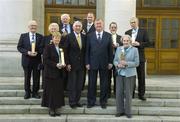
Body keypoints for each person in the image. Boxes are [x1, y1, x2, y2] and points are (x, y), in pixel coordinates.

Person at [86, 19, 113, 109]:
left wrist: (110, 62)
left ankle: (103, 101)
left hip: (104, 63)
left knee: (104, 84)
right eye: (97, 24)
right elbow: (87, 51)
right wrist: (87, 62)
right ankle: (91, 101)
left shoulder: (108, 36)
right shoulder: (89, 36)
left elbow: (110, 51)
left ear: (103, 25)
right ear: (94, 25)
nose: (98, 25)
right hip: (92, 63)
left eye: (100, 24)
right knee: (91, 83)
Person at [113, 35, 139, 118]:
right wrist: (118, 65)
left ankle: (128, 112)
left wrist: (126, 63)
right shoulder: (119, 49)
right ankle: (119, 111)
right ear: (122, 41)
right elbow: (115, 61)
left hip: (130, 74)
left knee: (128, 94)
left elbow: (136, 63)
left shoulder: (135, 50)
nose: (125, 42)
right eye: (124, 41)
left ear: (130, 41)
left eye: (127, 41)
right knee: (119, 93)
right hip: (120, 74)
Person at [41, 31, 66, 117]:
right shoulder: (48, 47)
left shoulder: (61, 48)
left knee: (57, 91)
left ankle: (57, 108)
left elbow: (63, 58)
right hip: (50, 73)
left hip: (59, 73)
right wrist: (56, 65)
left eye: (59, 38)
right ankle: (51, 109)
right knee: (51, 91)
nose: (57, 39)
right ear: (52, 38)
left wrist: (63, 64)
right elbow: (45, 60)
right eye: (55, 38)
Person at [125, 17, 150, 101]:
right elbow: (124, 44)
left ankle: (141, 94)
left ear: (137, 22)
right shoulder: (127, 32)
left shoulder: (144, 31)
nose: (133, 24)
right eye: (131, 22)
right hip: (130, 58)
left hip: (140, 57)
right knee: (131, 76)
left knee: (141, 77)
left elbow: (148, 43)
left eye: (134, 22)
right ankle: (131, 93)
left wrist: (139, 44)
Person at [17, 20, 43, 99]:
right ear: (28, 27)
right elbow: (19, 47)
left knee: (36, 77)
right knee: (27, 77)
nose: (33, 27)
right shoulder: (23, 36)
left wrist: (38, 52)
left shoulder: (40, 36)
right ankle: (27, 92)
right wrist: (27, 52)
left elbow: (42, 48)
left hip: (37, 60)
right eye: (31, 25)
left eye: (34, 26)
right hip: (26, 60)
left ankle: (35, 92)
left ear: (36, 27)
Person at [65, 21, 86, 109]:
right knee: (72, 84)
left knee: (79, 84)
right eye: (76, 26)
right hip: (72, 65)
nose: (78, 27)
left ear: (81, 28)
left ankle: (77, 101)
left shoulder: (84, 37)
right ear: (73, 27)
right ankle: (72, 101)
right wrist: (67, 63)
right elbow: (65, 51)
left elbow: (85, 51)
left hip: (82, 65)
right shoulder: (68, 36)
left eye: (79, 26)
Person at [41, 23, 59, 89]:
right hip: (48, 62)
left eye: (55, 29)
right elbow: (41, 48)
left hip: (57, 63)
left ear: (58, 29)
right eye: (52, 29)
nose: (53, 30)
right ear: (49, 30)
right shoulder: (45, 38)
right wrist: (47, 52)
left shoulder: (61, 38)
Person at [108, 22, 122, 98]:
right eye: (112, 27)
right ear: (109, 28)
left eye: (114, 27)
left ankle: (116, 93)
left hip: (117, 61)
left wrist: (118, 45)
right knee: (108, 78)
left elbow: (123, 49)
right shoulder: (106, 36)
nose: (113, 29)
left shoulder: (120, 38)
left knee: (117, 78)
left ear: (116, 28)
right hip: (108, 60)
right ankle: (108, 93)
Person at [59, 13, 73, 90]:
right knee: (63, 71)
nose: (65, 20)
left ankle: (69, 87)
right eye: (63, 18)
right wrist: (62, 36)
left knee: (70, 70)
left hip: (71, 51)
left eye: (66, 18)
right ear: (61, 20)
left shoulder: (73, 26)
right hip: (61, 52)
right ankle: (63, 87)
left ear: (69, 19)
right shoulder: (58, 27)